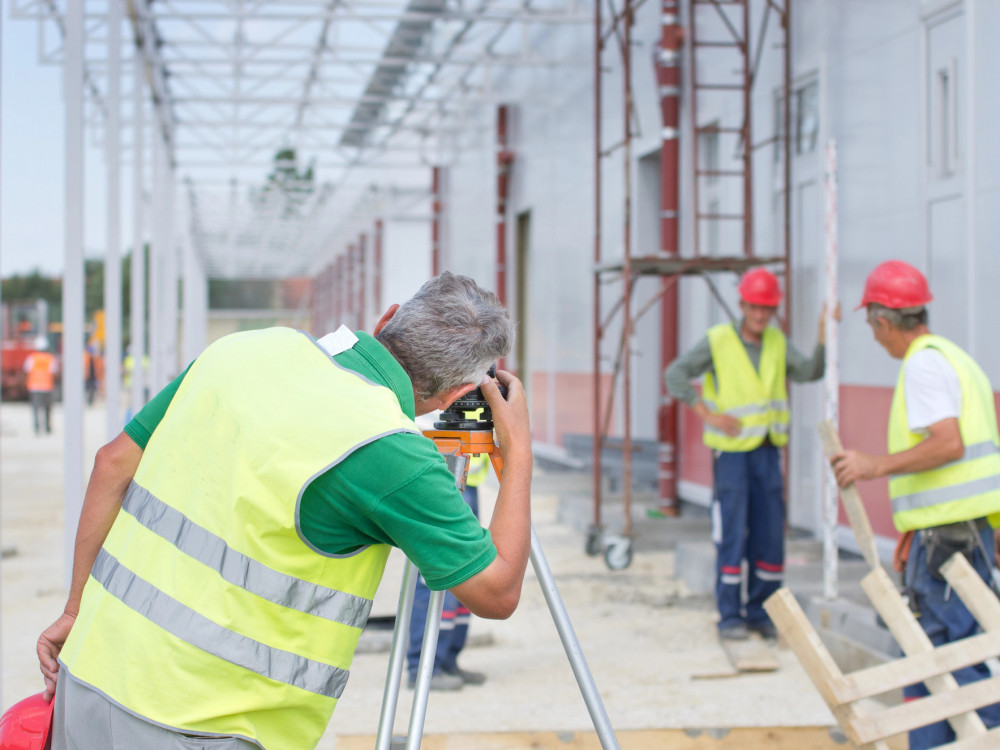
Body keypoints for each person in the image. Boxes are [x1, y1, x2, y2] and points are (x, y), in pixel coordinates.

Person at [36, 272, 533, 750]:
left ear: (386, 320)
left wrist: (75, 610)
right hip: (201, 725)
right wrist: (519, 450)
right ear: (459, 395)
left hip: (90, 674)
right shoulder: (391, 452)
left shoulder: (248, 349)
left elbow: (112, 464)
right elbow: (497, 590)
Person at [830, 259, 1000, 750]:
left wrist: (873, 466)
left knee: (947, 661)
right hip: (959, 536)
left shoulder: (923, 365)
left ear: (884, 320)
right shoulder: (953, 357)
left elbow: (949, 444)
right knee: (932, 658)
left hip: (951, 544)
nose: (874, 336)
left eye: (871, 325)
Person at [664, 267, 835, 641]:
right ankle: (730, 616)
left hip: (768, 454)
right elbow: (675, 374)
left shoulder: (777, 341)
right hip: (732, 458)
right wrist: (707, 413)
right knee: (732, 536)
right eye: (754, 307)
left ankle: (762, 613)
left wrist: (824, 337)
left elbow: (808, 372)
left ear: (774, 309)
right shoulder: (718, 340)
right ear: (742, 304)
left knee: (769, 535)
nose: (760, 315)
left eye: (767, 309)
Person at [407, 451, 490, 690]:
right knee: (439, 575)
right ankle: (423, 667)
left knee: (467, 571)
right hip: (442, 473)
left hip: (465, 476)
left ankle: (447, 660)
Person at [24, 336, 57, 435]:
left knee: (35, 408)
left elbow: (26, 369)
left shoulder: (32, 357)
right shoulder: (50, 358)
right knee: (47, 408)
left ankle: (37, 427)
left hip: (34, 386)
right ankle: (47, 428)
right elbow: (54, 370)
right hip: (47, 387)